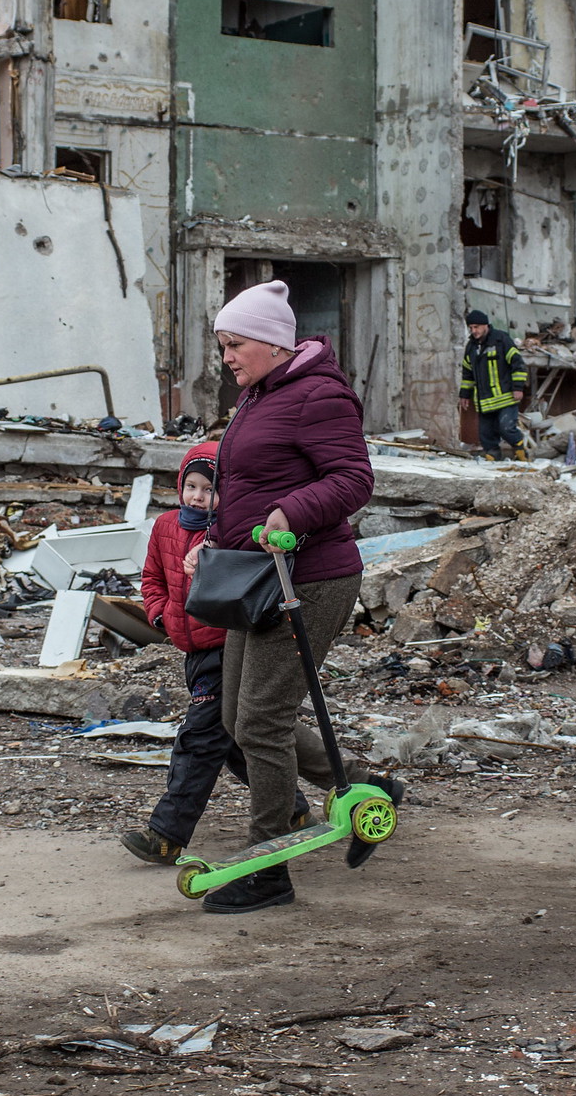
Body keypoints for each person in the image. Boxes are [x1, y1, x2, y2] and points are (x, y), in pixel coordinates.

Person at [194, 279, 401, 914]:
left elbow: (353, 478)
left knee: (261, 720)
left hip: (308, 579)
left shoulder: (317, 394)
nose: (226, 358)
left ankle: (270, 862)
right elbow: (250, 478)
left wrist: (293, 513)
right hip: (252, 576)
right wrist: (211, 535)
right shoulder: (261, 395)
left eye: (234, 345)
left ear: (273, 342)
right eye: (222, 345)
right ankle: (364, 788)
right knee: (237, 718)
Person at [120, 441, 307, 866]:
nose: (198, 497)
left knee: (199, 740)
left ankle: (166, 835)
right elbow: (151, 578)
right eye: (192, 486)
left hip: (228, 649)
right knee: (235, 741)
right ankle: (292, 809)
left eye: (210, 489)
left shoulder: (228, 532)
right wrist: (159, 616)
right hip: (192, 651)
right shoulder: (165, 527)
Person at [459, 310, 528, 460]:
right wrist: (464, 395)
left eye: (476, 327)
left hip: (506, 397)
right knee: (486, 434)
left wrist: (518, 388)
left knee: (506, 428)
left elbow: (518, 364)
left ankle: (521, 449)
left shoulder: (501, 340)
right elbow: (467, 373)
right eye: (471, 328)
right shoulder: (471, 347)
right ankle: (493, 456)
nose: (473, 331)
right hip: (485, 401)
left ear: (485, 325)